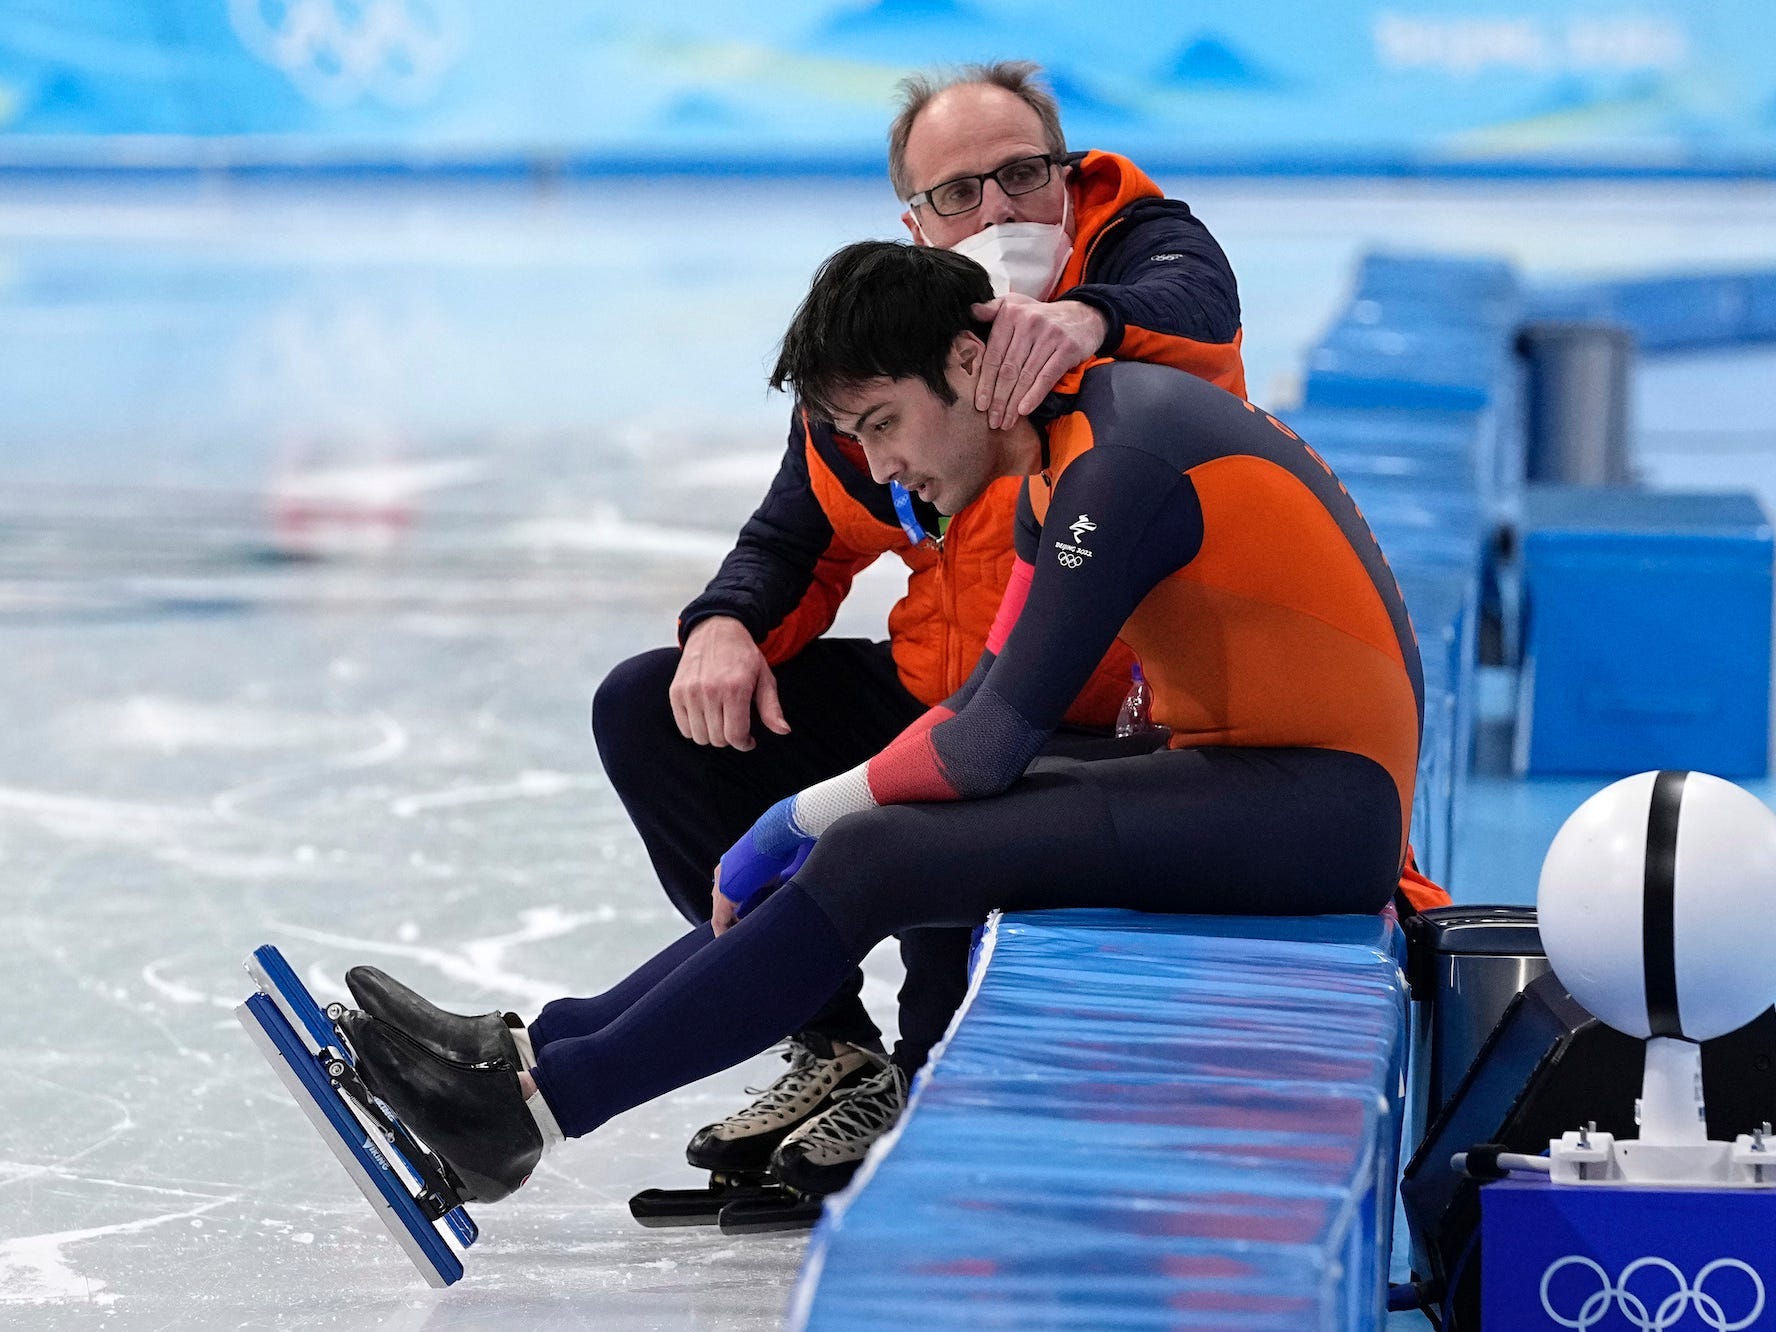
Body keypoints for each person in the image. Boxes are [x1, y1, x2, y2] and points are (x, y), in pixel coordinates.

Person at [338, 239, 1445, 1207]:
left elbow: (978, 748)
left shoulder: (1119, 467)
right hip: (1254, 777)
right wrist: (798, 824)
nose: (883, 469)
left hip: (1320, 809)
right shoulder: (1064, 456)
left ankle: (530, 1118)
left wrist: (787, 821)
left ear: (968, 366)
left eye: (883, 424)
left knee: (876, 847)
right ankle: (541, 1054)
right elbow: (978, 713)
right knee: (876, 827)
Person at [586, 60, 1247, 1192]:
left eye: (1021, 177)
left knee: (937, 960)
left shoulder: (1141, 265)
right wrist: (727, 625)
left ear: (1070, 176)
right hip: (948, 704)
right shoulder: (897, 339)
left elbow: (1199, 301)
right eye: (958, 194)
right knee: (653, 708)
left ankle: (875, 1066)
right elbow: (794, 536)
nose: (995, 212)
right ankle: (835, 1051)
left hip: (1076, 733)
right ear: (916, 221)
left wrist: (1087, 318)